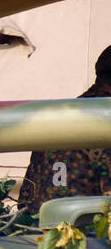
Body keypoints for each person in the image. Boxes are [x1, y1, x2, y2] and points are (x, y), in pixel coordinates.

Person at [19, 45, 111, 211]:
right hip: (86, 230)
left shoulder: (59, 116)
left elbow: (26, 196)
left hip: (36, 230)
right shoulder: (105, 120)